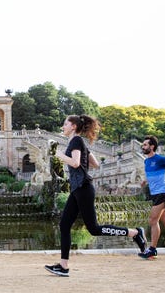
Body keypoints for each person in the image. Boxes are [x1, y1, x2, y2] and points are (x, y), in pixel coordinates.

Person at [45, 115, 147, 277]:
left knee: (94, 229)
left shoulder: (76, 141)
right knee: (64, 225)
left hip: (83, 188)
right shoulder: (79, 143)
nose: (63, 126)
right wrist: (83, 154)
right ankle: (63, 266)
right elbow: (95, 164)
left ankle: (134, 233)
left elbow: (76, 163)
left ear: (73, 126)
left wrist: (57, 154)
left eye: (65, 124)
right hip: (78, 189)